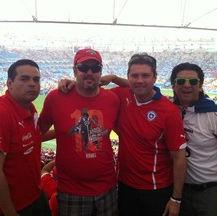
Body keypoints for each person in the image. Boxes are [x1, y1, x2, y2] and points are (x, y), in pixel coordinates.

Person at [59, 53, 187, 216]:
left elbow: (179, 157)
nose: (139, 80)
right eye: (134, 75)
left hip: (156, 189)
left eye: (145, 75)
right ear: (128, 77)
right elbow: (89, 90)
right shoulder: (120, 95)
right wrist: (72, 83)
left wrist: (176, 199)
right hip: (124, 186)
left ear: (155, 77)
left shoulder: (169, 111)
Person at [39, 48, 120, 216]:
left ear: (101, 71)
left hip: (107, 186)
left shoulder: (113, 99)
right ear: (74, 70)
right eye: (83, 67)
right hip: (71, 190)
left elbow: (141, 86)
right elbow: (37, 134)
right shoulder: (55, 98)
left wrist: (113, 78)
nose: (89, 72)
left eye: (95, 68)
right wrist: (62, 131)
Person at [0, 59, 51, 215]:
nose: (32, 84)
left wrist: (68, 129)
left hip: (35, 195)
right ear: (9, 83)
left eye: (36, 79)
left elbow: (34, 137)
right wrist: (10, 212)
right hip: (11, 208)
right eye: (24, 79)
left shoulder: (29, 108)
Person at [170, 62, 217, 216]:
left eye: (193, 81)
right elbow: (145, 88)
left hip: (211, 191)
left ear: (201, 85)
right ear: (173, 86)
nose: (187, 85)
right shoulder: (169, 109)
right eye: (181, 81)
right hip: (181, 190)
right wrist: (115, 78)